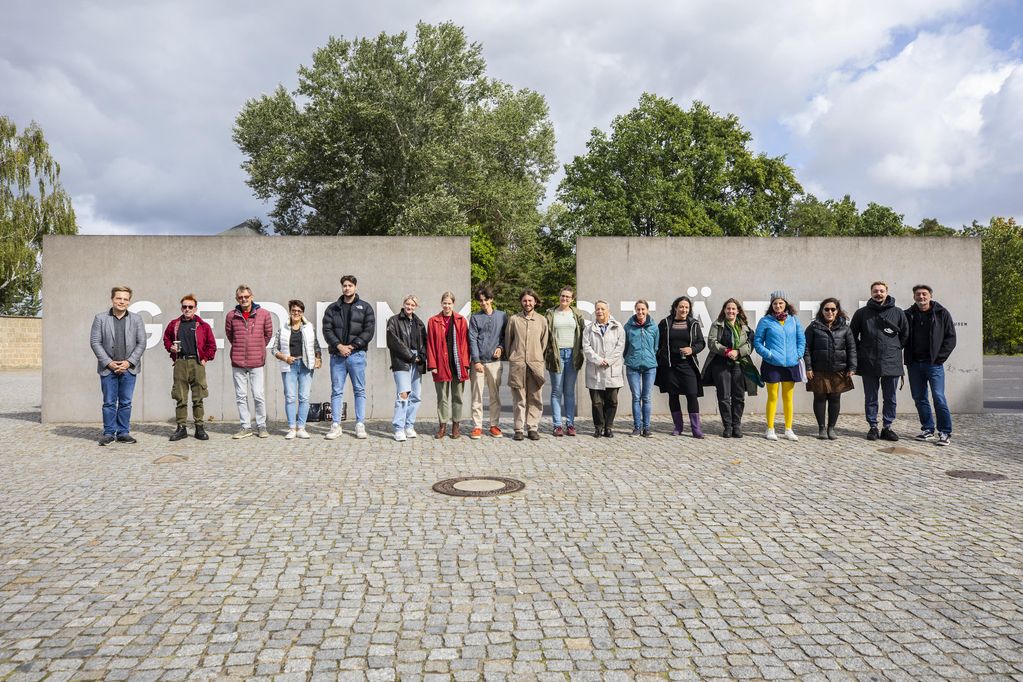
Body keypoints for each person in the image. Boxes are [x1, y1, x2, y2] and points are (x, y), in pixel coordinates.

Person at [850, 281, 909, 441]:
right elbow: (852, 336)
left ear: (887, 292)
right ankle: (873, 427)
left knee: (890, 397)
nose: (879, 293)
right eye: (875, 291)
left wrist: (892, 349)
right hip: (868, 361)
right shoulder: (861, 313)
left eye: (881, 291)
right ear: (871, 293)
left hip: (891, 362)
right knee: (871, 396)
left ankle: (887, 427)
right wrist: (863, 350)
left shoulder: (898, 312)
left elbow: (904, 336)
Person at [90, 285, 146, 445]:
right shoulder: (100, 318)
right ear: (112, 299)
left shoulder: (136, 319)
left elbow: (142, 342)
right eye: (118, 298)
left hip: (129, 368)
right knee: (108, 402)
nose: (122, 301)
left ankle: (123, 432)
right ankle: (108, 433)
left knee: (126, 402)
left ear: (129, 301)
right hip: (108, 369)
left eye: (125, 299)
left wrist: (129, 362)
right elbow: (95, 342)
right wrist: (109, 363)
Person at [322, 274, 375, 440]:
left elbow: (368, 331)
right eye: (344, 285)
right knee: (336, 391)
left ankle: (360, 424)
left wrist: (352, 346)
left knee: (359, 390)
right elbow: (327, 330)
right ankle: (336, 425)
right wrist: (339, 346)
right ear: (342, 287)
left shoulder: (365, 307)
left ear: (355, 287)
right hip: (337, 356)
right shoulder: (332, 308)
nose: (347, 288)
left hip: (356, 355)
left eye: (350, 285)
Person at [904, 284, 957, 446]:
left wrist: (939, 358)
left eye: (924, 294)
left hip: (934, 365)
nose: (921, 297)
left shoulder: (942, 313)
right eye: (918, 294)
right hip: (914, 364)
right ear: (914, 297)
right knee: (919, 398)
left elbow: (950, 338)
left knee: (938, 397)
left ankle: (945, 432)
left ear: (930, 296)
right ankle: (928, 428)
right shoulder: (908, 314)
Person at [163, 294, 217, 441]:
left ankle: (199, 427)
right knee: (180, 397)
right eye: (185, 307)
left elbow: (211, 346)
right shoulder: (174, 324)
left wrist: (205, 359)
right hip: (180, 362)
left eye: (190, 307)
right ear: (181, 308)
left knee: (198, 397)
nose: (187, 309)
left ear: (195, 308)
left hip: (197, 363)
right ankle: (181, 428)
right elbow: (166, 339)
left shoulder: (203, 326)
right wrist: (171, 348)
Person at [753, 291, 806, 441]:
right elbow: (757, 342)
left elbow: (801, 340)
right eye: (775, 303)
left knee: (788, 397)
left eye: (781, 303)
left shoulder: (794, 320)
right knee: (773, 397)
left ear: (786, 304)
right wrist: (769, 354)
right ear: (771, 305)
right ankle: (770, 429)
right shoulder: (765, 321)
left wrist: (798, 354)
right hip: (772, 364)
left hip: (791, 364)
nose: (778, 306)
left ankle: (788, 429)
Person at [701, 298, 757, 438]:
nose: (730, 311)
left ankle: (736, 425)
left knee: (739, 396)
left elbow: (750, 344)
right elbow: (712, 342)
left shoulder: (745, 327)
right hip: (721, 364)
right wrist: (727, 351)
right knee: (724, 396)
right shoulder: (717, 324)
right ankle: (727, 426)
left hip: (739, 364)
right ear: (724, 310)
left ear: (738, 311)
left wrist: (738, 352)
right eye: (728, 308)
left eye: (733, 309)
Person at [225, 284, 274, 439]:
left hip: (256, 362)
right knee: (241, 396)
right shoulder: (231, 316)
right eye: (241, 297)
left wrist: (258, 349)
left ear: (252, 297)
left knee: (258, 394)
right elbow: (230, 336)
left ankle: (261, 426)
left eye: (246, 296)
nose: (244, 299)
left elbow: (268, 335)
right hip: (238, 362)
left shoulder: (264, 314)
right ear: (236, 299)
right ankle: (245, 427)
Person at [804, 298, 857, 440]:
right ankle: (821, 428)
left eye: (833, 309)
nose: (830, 312)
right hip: (818, 370)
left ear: (837, 311)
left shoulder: (845, 328)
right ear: (822, 311)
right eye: (826, 309)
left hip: (838, 369)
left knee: (835, 398)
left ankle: (831, 428)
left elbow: (852, 348)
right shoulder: (813, 327)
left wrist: (852, 367)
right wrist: (808, 367)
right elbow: (806, 348)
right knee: (819, 398)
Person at [656, 296, 707, 438]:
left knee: (692, 395)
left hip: (688, 365)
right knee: (673, 395)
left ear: (689, 309)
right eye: (681, 307)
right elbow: (657, 343)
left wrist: (692, 350)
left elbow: (701, 343)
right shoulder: (665, 323)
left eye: (686, 307)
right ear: (675, 308)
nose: (684, 309)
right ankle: (678, 427)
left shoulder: (694, 324)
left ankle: (696, 428)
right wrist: (662, 354)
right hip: (670, 366)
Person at [271, 300, 321, 440]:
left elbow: (316, 345)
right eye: (294, 310)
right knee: (290, 397)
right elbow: (274, 349)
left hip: (306, 365)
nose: (296, 313)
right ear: (290, 312)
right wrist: (284, 357)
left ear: (302, 313)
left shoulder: (309, 328)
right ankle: (292, 428)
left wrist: (318, 358)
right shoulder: (283, 329)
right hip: (289, 366)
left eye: (299, 311)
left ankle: (301, 427)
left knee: (304, 397)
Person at [505, 288, 550, 441]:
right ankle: (518, 428)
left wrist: (536, 355)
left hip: (535, 364)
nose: (527, 303)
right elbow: (508, 341)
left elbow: (544, 342)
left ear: (535, 302)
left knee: (535, 397)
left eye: (530, 300)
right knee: (519, 398)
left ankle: (532, 427)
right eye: (525, 300)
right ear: (521, 302)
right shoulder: (514, 319)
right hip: (518, 364)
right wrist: (514, 356)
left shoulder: (542, 320)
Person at [426, 291, 471, 439]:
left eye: (449, 303)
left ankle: (456, 426)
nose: (447, 306)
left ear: (453, 304)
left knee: (457, 397)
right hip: (440, 364)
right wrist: (432, 364)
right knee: (442, 397)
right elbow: (430, 344)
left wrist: (465, 364)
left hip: (457, 364)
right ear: (441, 304)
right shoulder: (433, 321)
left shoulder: (460, 320)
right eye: (444, 303)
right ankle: (442, 426)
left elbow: (465, 344)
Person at [386, 294, 428, 442]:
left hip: (417, 361)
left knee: (416, 396)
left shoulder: (419, 324)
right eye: (407, 304)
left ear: (416, 307)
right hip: (401, 360)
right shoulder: (394, 321)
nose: (409, 307)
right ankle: (399, 428)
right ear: (403, 304)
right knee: (403, 395)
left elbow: (424, 343)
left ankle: (409, 426)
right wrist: (411, 356)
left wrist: (421, 357)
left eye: (412, 305)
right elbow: (393, 342)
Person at [545, 286, 585, 437]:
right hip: (556, 355)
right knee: (556, 391)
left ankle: (570, 424)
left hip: (572, 355)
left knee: (569, 391)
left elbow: (582, 334)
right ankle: (557, 425)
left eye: (568, 297)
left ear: (572, 299)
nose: (565, 299)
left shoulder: (577, 314)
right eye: (563, 296)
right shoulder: (551, 313)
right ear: (559, 296)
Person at [581, 300, 626, 437]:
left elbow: (620, 347)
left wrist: (609, 361)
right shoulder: (588, 329)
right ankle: (598, 427)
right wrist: (599, 360)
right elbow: (586, 347)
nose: (599, 311)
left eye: (602, 309)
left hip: (612, 369)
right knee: (596, 402)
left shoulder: (618, 327)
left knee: (612, 401)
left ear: (608, 311)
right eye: (597, 309)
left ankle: (609, 427)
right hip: (595, 370)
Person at [468, 286, 507, 439]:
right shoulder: (475, 317)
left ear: (491, 299)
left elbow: (505, 336)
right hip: (478, 362)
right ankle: (477, 426)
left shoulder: (502, 316)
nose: (483, 303)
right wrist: (476, 361)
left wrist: (501, 348)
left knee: (494, 395)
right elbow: (472, 339)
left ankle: (494, 425)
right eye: (480, 301)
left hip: (495, 362)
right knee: (477, 395)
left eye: (485, 300)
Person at [623, 300, 659, 438]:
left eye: (643, 309)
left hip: (650, 366)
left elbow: (656, 346)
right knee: (636, 397)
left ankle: (647, 428)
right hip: (633, 365)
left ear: (647, 310)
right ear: (635, 310)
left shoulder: (653, 327)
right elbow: (625, 347)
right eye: (638, 309)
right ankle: (637, 427)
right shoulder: (628, 327)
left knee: (647, 397)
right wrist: (631, 357)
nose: (640, 312)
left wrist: (649, 357)